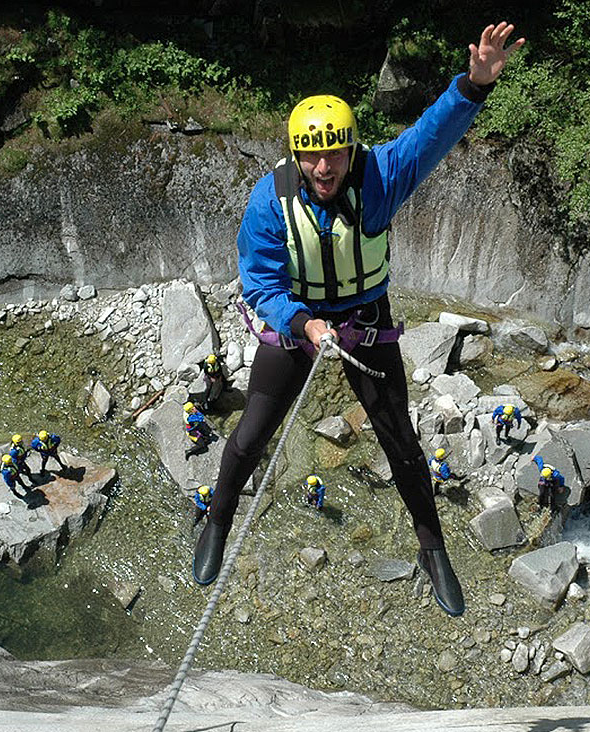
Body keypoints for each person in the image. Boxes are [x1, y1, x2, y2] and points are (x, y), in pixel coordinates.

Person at [192, 22, 525, 618]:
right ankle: (218, 520)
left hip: (366, 325)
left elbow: (430, 137)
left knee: (400, 440)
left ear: (351, 148)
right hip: (298, 328)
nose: (325, 165)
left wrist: (474, 86)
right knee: (251, 434)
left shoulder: (379, 178)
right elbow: (261, 283)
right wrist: (301, 324)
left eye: (336, 151)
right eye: (313, 154)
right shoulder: (270, 201)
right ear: (298, 155)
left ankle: (431, 548)